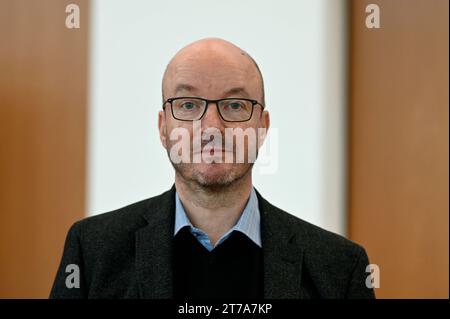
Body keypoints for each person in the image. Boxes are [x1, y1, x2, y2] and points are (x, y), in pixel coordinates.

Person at [50, 38, 375, 299]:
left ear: (262, 127)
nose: (211, 127)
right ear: (163, 128)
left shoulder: (339, 268)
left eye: (235, 105)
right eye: (188, 105)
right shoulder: (92, 252)